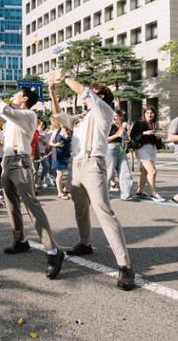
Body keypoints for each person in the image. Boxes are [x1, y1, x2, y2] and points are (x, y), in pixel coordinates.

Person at [50, 77, 135, 290]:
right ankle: (85, 243)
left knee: (104, 212)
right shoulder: (81, 118)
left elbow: (84, 91)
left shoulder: (104, 112)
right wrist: (52, 92)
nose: (85, 96)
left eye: (93, 93)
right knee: (80, 209)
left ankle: (125, 266)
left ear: (101, 98)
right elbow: (57, 118)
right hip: (76, 165)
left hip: (93, 164)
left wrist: (64, 77)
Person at [0, 85, 64, 280]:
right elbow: (4, 115)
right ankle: (20, 240)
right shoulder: (13, 117)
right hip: (8, 161)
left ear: (25, 99)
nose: (13, 95)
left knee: (32, 205)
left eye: (17, 93)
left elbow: (5, 109)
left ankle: (53, 251)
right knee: (11, 204)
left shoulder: (28, 115)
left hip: (21, 162)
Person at [130, 107, 164, 201]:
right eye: (147, 113)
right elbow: (133, 135)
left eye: (152, 113)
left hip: (152, 149)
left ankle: (140, 191)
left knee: (145, 172)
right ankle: (153, 193)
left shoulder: (155, 124)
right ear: (144, 114)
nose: (149, 114)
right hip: (142, 148)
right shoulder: (139, 123)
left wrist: (159, 137)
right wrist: (145, 133)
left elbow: (158, 141)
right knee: (152, 171)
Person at [107, 111, 135, 201]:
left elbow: (126, 139)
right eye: (113, 116)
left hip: (120, 149)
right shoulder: (108, 126)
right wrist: (116, 135)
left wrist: (126, 129)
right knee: (108, 173)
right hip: (110, 148)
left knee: (125, 171)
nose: (115, 118)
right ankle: (103, 195)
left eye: (117, 116)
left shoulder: (121, 127)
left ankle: (126, 195)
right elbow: (104, 139)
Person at [49, 113, 72, 200]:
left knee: (71, 172)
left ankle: (67, 188)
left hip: (66, 153)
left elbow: (71, 142)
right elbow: (50, 142)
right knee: (60, 173)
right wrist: (55, 144)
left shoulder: (69, 131)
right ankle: (60, 192)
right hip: (57, 154)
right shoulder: (56, 131)